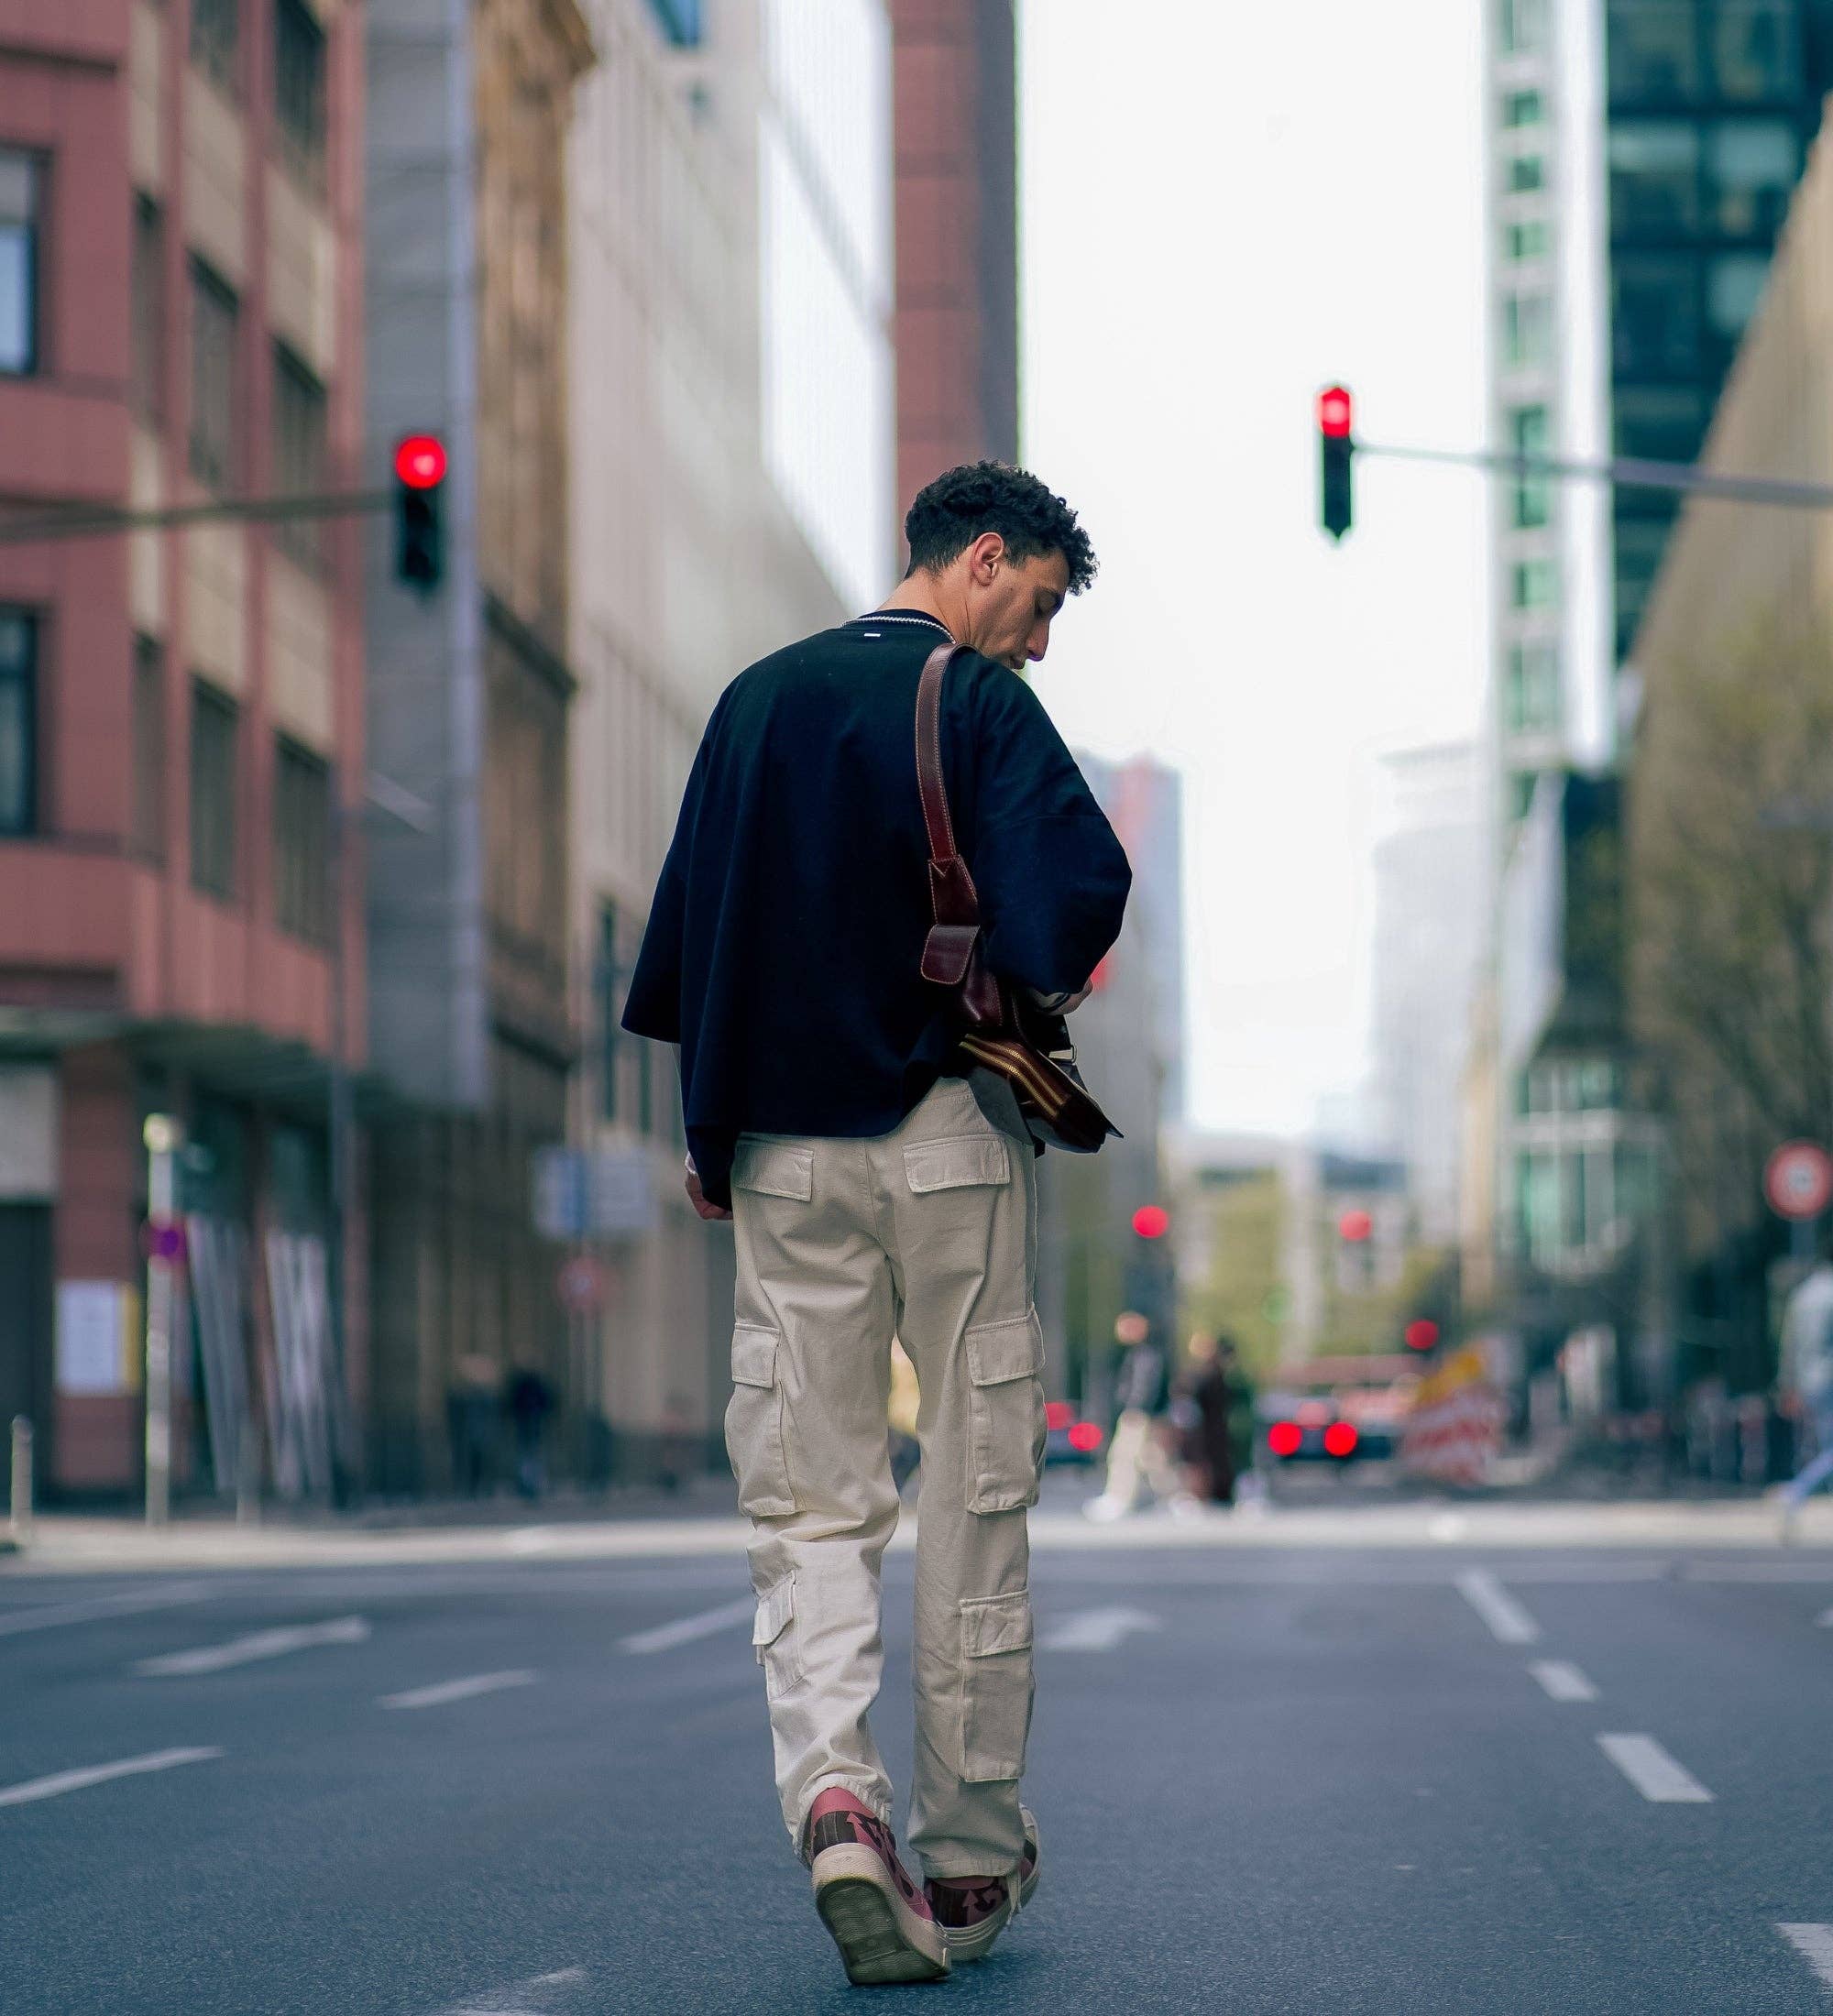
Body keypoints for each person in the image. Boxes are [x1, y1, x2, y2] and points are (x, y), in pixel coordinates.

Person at [622, 463, 1129, 1987]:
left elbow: (693, 947)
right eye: (1038, 607)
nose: (1037, 644)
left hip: (779, 1150)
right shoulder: (975, 706)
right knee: (976, 1480)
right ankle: (968, 1858)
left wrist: (711, 1138)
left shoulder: (752, 704)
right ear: (985, 561)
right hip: (944, 1142)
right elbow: (1078, 900)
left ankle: (837, 1802)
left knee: (810, 1500)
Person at [1086, 1316, 1192, 1520]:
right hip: (1146, 1413)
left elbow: (1144, 1387)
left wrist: (1135, 1409)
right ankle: (1177, 1498)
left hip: (1137, 1413)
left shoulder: (1145, 1355)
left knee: (1123, 1456)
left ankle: (1119, 1496)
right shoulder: (1144, 1352)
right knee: (1154, 1458)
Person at [1778, 1255, 1833, 1539]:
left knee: (1828, 1445)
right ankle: (1795, 1491)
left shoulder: (1803, 1295)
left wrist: (1787, 1384)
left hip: (1809, 1380)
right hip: (1829, 1377)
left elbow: (1788, 1345)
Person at [1180, 1332, 1247, 1506]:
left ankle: (1220, 1493)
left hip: (1219, 1424)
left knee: (1219, 1458)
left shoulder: (1225, 1373)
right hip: (1205, 1425)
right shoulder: (1201, 1371)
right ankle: (1207, 1493)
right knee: (1204, 1459)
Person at [503, 1361, 555, 1501]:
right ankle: (529, 1484)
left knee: (531, 1455)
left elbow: (549, 1402)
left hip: (533, 1427)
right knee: (529, 1455)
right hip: (527, 1427)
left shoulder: (534, 1386)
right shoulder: (528, 1386)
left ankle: (531, 1484)